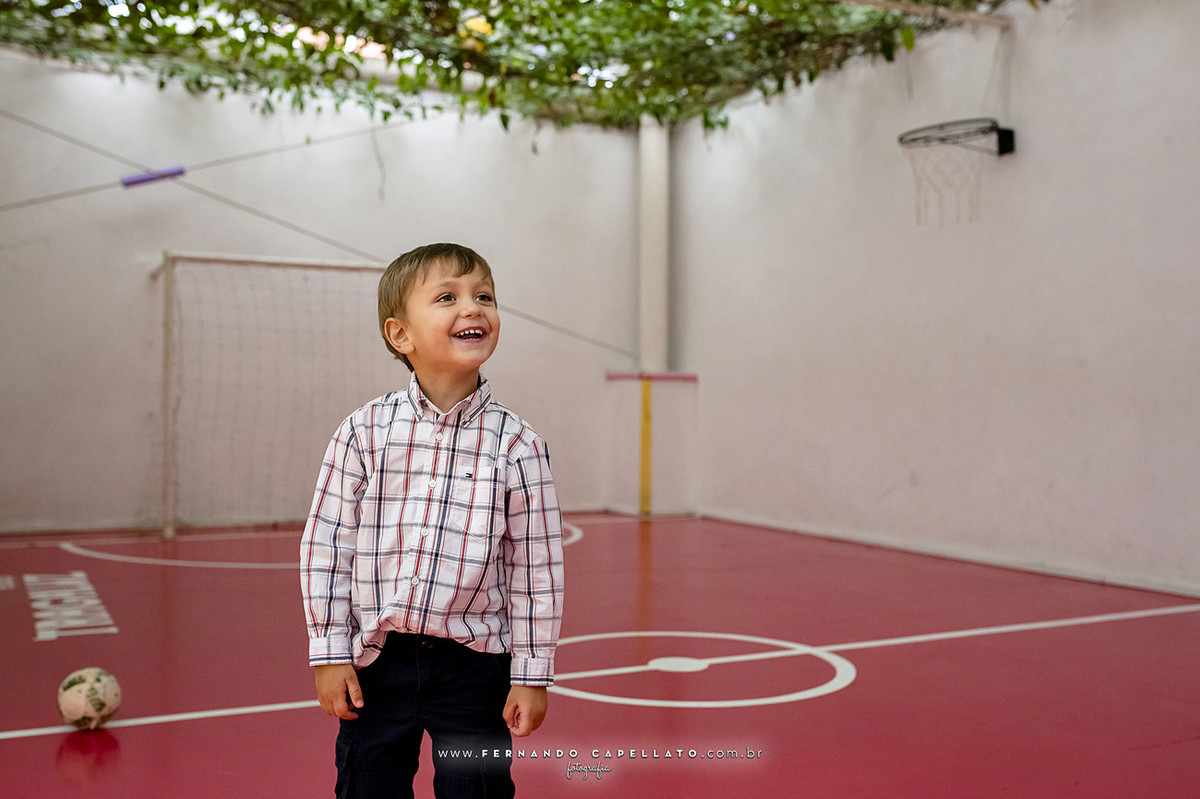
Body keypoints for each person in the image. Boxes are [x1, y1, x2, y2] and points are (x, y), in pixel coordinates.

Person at [300, 242, 565, 799]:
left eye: (484, 296)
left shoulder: (518, 444)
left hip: (474, 669)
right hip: (376, 664)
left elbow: (535, 568)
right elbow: (326, 546)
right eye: (448, 297)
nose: (473, 308)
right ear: (401, 336)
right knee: (368, 788)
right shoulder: (363, 432)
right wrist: (329, 655)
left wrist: (531, 673)